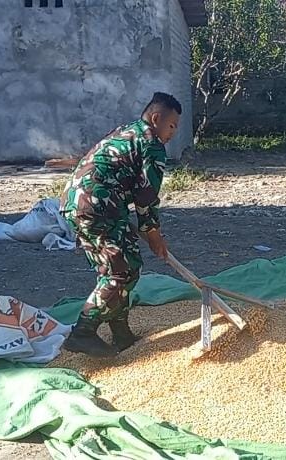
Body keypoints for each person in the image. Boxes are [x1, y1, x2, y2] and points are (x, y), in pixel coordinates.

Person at [59, 92, 181, 357]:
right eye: (171, 125)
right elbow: (145, 197)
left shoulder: (126, 131)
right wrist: (154, 235)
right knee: (121, 271)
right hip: (99, 205)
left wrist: (146, 232)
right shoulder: (151, 144)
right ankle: (83, 332)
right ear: (156, 117)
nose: (172, 133)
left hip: (77, 202)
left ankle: (121, 332)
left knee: (122, 265)